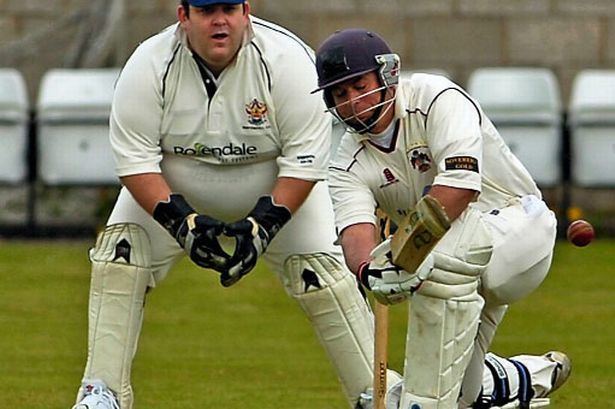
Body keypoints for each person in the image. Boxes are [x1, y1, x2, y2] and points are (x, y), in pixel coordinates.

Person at [70, 2, 380, 408]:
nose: (220, 21)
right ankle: (102, 392)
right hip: (175, 179)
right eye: (206, 10)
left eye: (229, 8)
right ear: (184, 16)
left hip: (275, 181)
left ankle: (375, 392)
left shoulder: (288, 59)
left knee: (320, 275)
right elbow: (135, 161)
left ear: (246, 10)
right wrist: (181, 223)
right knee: (120, 255)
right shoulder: (149, 62)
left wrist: (264, 226)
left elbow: (305, 161)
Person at [313, 28, 571, 409]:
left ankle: (420, 403)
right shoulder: (346, 163)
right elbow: (356, 232)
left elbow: (458, 189)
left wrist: (402, 257)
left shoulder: (435, 98)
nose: (354, 102)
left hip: (519, 232)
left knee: (442, 250)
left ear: (387, 75)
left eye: (360, 85)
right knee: (463, 396)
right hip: (452, 267)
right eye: (341, 94)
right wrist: (371, 271)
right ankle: (519, 378)